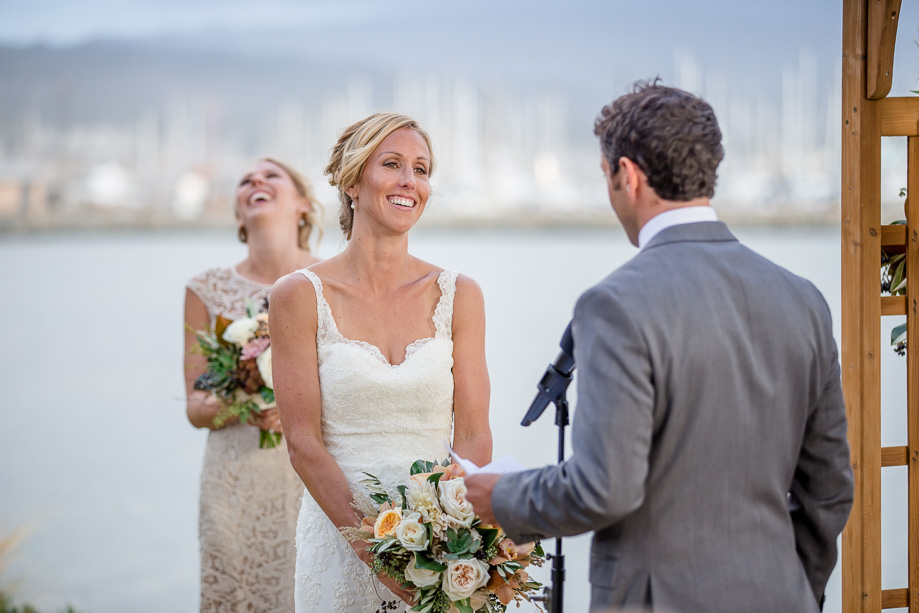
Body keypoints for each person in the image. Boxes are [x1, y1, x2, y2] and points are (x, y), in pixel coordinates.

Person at [466, 81, 854, 613]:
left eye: (606, 177)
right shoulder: (803, 299)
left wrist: (500, 497)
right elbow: (829, 489)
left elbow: (604, 488)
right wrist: (795, 590)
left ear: (628, 175)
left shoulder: (615, 305)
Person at [270, 112, 493, 612]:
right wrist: (378, 553)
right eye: (392, 164)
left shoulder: (461, 295)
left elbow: (475, 437)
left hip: (439, 547)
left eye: (421, 168)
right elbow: (303, 443)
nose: (409, 182)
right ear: (352, 180)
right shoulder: (298, 295)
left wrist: (453, 545)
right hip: (341, 542)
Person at [183, 158, 322, 612]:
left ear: (303, 205)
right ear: (239, 214)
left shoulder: (334, 280)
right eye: (246, 181)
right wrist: (243, 406)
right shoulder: (205, 290)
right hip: (234, 484)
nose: (256, 182)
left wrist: (297, 408)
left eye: (271, 176)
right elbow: (197, 405)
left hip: (316, 479)